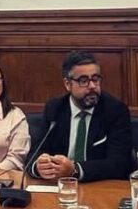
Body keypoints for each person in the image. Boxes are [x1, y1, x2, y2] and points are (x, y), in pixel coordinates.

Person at [30, 50, 132, 181]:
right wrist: (38, 167)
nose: (92, 86)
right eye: (83, 80)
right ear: (68, 84)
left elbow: (120, 163)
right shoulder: (54, 109)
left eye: (95, 79)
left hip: (98, 185)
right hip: (58, 185)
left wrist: (75, 170)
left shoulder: (115, 110)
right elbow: (35, 152)